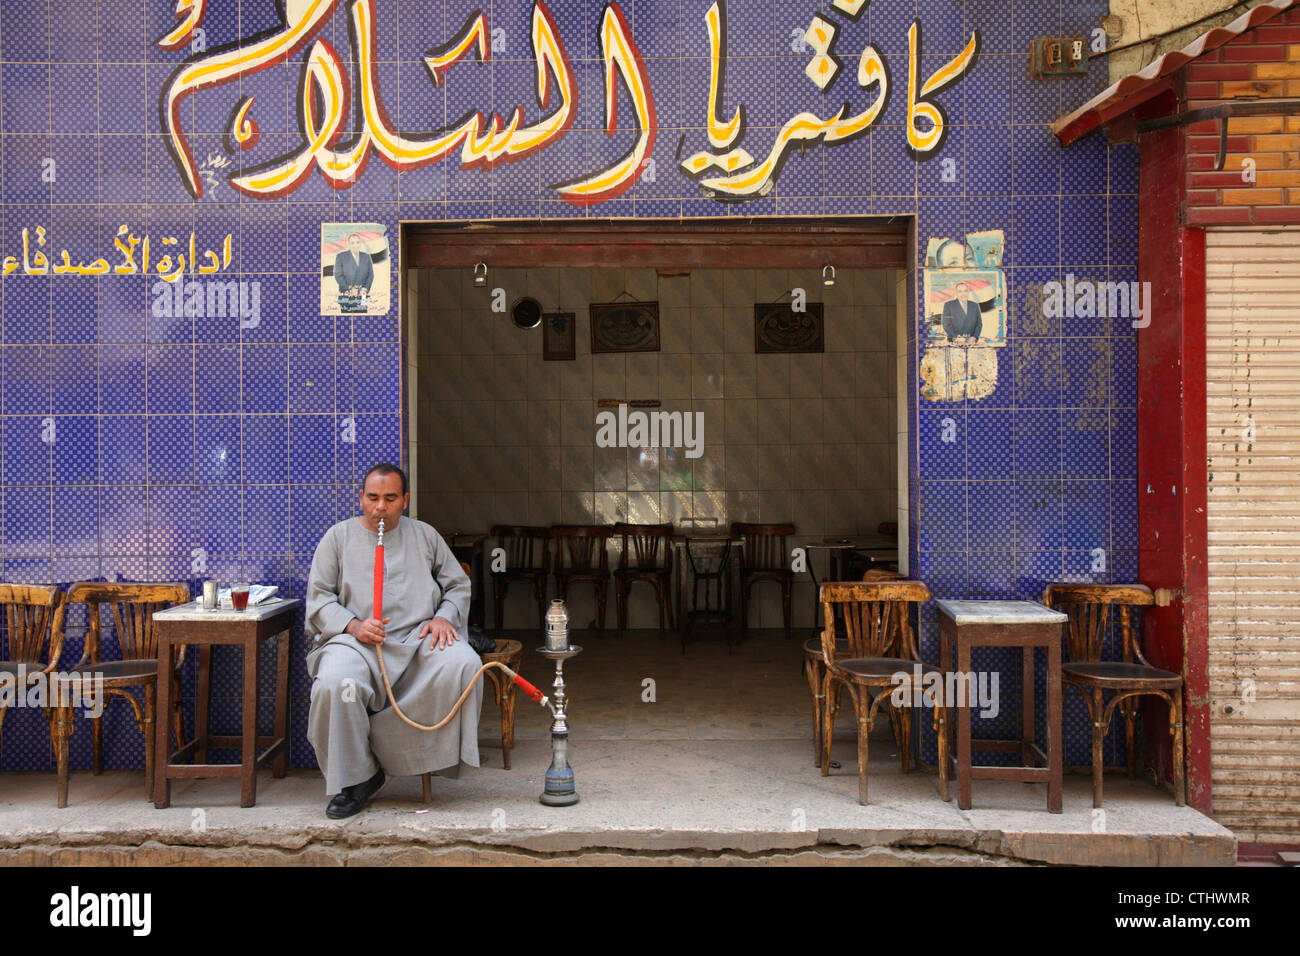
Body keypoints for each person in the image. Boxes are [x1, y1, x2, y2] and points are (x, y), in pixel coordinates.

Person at [305, 463, 479, 818]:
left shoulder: (425, 535)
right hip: (355, 644)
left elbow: (457, 585)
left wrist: (444, 617)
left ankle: (413, 756)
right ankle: (357, 779)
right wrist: (353, 626)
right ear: (361, 499)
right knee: (336, 684)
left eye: (389, 498)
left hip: (418, 641)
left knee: (465, 664)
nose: (380, 507)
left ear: (405, 501)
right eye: (372, 498)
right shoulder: (337, 538)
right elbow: (319, 598)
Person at [333, 233, 374, 311]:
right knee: (346, 318)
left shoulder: (366, 256)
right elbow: (338, 275)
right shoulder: (341, 256)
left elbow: (371, 275)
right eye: (352, 243)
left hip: (363, 294)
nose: (355, 245)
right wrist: (349, 289)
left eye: (358, 242)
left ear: (360, 243)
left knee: (363, 316)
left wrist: (365, 289)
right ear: (348, 244)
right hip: (346, 294)